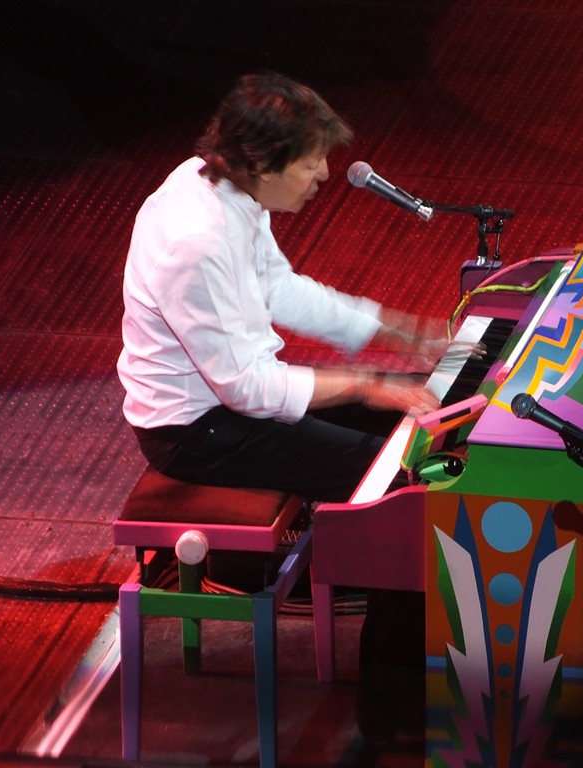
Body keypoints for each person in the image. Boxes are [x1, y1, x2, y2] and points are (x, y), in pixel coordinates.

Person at [116, 71, 440, 748]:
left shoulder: (230, 192)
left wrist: (393, 328)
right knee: (400, 493)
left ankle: (440, 646)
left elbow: (279, 288)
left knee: (429, 421)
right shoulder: (193, 242)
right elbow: (247, 390)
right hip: (197, 431)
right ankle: (395, 710)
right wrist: (365, 385)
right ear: (263, 161)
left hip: (234, 405)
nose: (324, 174)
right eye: (312, 161)